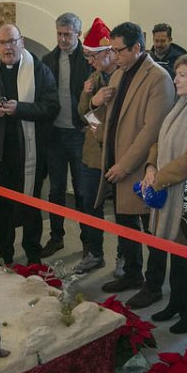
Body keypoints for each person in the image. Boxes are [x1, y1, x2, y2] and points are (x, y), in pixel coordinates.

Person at [130, 54, 187, 333]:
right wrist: (149, 167)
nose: (175, 79)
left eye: (182, 75)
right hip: (169, 189)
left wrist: (159, 178)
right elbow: (159, 140)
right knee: (176, 255)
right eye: (176, 73)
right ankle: (176, 303)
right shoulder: (180, 103)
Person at [88, 22, 176, 297]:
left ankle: (153, 285)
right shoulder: (117, 75)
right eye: (112, 51)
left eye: (119, 50)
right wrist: (94, 106)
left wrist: (125, 165)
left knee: (151, 230)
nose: (114, 56)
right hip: (115, 160)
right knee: (125, 223)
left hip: (140, 167)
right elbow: (109, 118)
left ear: (138, 47)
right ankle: (132, 274)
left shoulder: (158, 78)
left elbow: (153, 130)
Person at [0, 24, 60, 265]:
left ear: (22, 42)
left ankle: (33, 255)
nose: (7, 47)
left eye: (12, 41)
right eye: (2, 42)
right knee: (1, 208)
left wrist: (20, 108)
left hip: (29, 153)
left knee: (30, 206)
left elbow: (52, 107)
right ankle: (4, 253)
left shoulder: (39, 70)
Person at [39, 13, 92, 259]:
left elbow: (99, 97)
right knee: (56, 189)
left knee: (82, 191)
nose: (62, 38)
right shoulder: (47, 60)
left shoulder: (89, 59)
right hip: (55, 135)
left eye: (67, 34)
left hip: (80, 134)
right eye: (59, 34)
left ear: (78, 34)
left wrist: (90, 123)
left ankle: (88, 240)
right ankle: (57, 237)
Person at [73, 17, 118, 275]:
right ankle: (94, 253)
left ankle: (126, 262)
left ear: (108, 52)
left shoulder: (122, 77)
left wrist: (94, 112)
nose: (90, 61)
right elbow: (82, 113)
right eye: (88, 57)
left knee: (125, 215)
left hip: (117, 154)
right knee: (89, 205)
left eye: (92, 56)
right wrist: (90, 96)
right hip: (92, 154)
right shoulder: (94, 77)